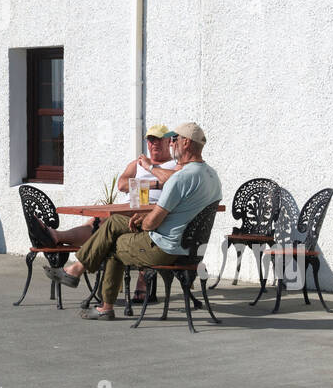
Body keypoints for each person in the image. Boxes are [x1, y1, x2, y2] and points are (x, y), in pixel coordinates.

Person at [46, 122, 221, 321]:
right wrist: (144, 218)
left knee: (113, 244)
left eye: (174, 140)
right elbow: (178, 213)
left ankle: (102, 303)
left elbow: (151, 223)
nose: (172, 145)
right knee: (114, 224)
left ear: (186, 143)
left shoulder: (180, 178)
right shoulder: (212, 176)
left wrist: (142, 222)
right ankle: (76, 271)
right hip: (190, 249)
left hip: (165, 248)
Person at [42, 124, 179, 247]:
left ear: (168, 141)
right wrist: (154, 184)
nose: (154, 143)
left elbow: (174, 181)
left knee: (101, 223)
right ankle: (57, 239)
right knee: (95, 220)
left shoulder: (174, 165)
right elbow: (121, 185)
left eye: (159, 139)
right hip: (128, 206)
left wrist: (148, 171)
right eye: (150, 140)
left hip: (149, 211)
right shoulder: (137, 163)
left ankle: (58, 237)